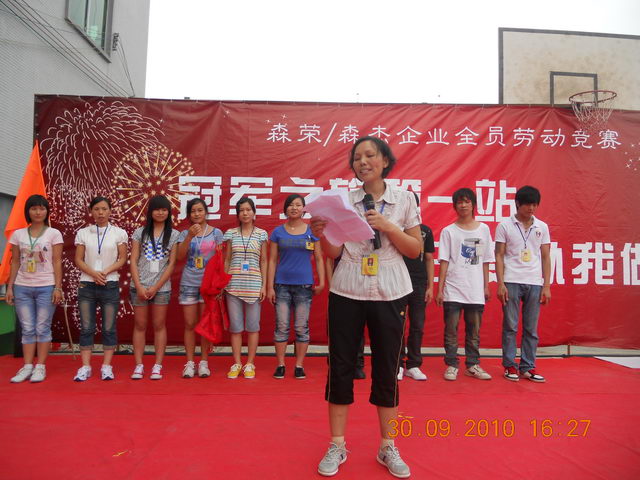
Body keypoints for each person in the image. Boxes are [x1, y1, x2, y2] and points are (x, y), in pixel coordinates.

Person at [311, 136, 421, 478]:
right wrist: (323, 233)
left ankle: (388, 445)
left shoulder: (404, 199)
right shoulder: (344, 201)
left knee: (387, 368)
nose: (362, 162)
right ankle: (337, 444)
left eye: (370, 155)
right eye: (357, 157)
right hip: (347, 289)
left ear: (385, 160)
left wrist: (388, 226)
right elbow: (333, 252)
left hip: (390, 291)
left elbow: (415, 249)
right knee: (341, 366)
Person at [436, 188, 494, 381]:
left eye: (467, 201)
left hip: (475, 289)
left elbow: (485, 260)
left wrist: (486, 285)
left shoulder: (483, 229)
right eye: (459, 202)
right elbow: (444, 261)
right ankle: (452, 365)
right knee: (451, 330)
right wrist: (440, 289)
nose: (463, 205)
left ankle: (472, 365)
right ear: (455, 206)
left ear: (473, 204)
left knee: (474, 331)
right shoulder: (448, 231)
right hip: (453, 288)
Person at [495, 185, 551, 383]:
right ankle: (510, 365)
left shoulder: (542, 227)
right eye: (527, 204)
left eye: (534, 204)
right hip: (511, 280)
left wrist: (546, 285)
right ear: (517, 203)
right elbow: (499, 255)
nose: (531, 208)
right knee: (510, 326)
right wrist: (500, 283)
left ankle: (528, 366)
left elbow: (546, 257)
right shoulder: (505, 225)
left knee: (531, 329)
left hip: (534, 282)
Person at [6, 194, 63, 383]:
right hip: (22, 286)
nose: (38, 212)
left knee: (42, 327)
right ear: (27, 211)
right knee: (28, 328)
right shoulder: (18, 234)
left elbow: (57, 261)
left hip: (46, 285)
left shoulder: (53, 234)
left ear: (47, 211)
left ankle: (40, 367)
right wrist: (10, 287)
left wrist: (58, 288)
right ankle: (27, 366)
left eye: (41, 208)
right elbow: (15, 261)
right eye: (34, 208)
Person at [267, 194, 325, 380]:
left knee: (301, 327)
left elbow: (318, 258)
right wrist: (269, 287)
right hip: (281, 285)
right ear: (285, 209)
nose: (294, 208)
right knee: (282, 326)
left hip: (304, 286)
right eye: (291, 205)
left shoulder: (311, 231)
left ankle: (299, 365)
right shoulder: (277, 232)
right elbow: (272, 260)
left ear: (303, 209)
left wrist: (322, 282)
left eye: (298, 205)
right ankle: (281, 365)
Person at [73, 197, 128, 381]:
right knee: (86, 327)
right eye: (96, 209)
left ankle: (106, 366)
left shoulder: (119, 233)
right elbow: (78, 259)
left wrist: (104, 272)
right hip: (87, 284)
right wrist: (93, 273)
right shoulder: (83, 233)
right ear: (91, 211)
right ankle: (85, 366)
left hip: (109, 283)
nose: (101, 212)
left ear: (110, 211)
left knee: (109, 327)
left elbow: (122, 258)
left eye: (104, 209)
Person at [129, 195, 180, 380]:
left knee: (159, 325)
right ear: (150, 212)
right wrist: (139, 286)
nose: (160, 213)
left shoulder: (174, 235)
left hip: (162, 288)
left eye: (164, 209)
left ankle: (158, 365)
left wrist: (157, 287)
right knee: (140, 325)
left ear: (169, 212)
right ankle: (139, 365)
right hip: (139, 286)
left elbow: (172, 264)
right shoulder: (140, 232)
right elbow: (133, 260)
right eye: (157, 209)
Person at [176, 197, 224, 378]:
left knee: (205, 325)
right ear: (189, 215)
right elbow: (180, 256)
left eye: (200, 210)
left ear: (206, 212)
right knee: (189, 324)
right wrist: (189, 236)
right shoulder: (184, 233)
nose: (197, 214)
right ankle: (189, 363)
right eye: (193, 211)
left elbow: (221, 260)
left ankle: (204, 362)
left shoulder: (216, 233)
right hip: (189, 282)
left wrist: (219, 285)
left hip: (208, 286)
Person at [223, 197, 268, 379]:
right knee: (235, 327)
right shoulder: (231, 234)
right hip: (233, 285)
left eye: (248, 209)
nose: (245, 213)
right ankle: (236, 362)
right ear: (238, 214)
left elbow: (264, 261)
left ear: (254, 213)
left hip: (254, 286)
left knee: (253, 326)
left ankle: (250, 363)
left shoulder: (262, 234)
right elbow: (227, 259)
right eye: (241, 210)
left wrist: (264, 285)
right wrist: (223, 282)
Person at [397, 192, 435, 382]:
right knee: (397, 325)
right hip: (397, 281)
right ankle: (398, 364)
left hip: (419, 283)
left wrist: (431, 286)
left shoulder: (425, 231)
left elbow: (429, 258)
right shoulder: (394, 229)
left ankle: (413, 365)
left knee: (417, 325)